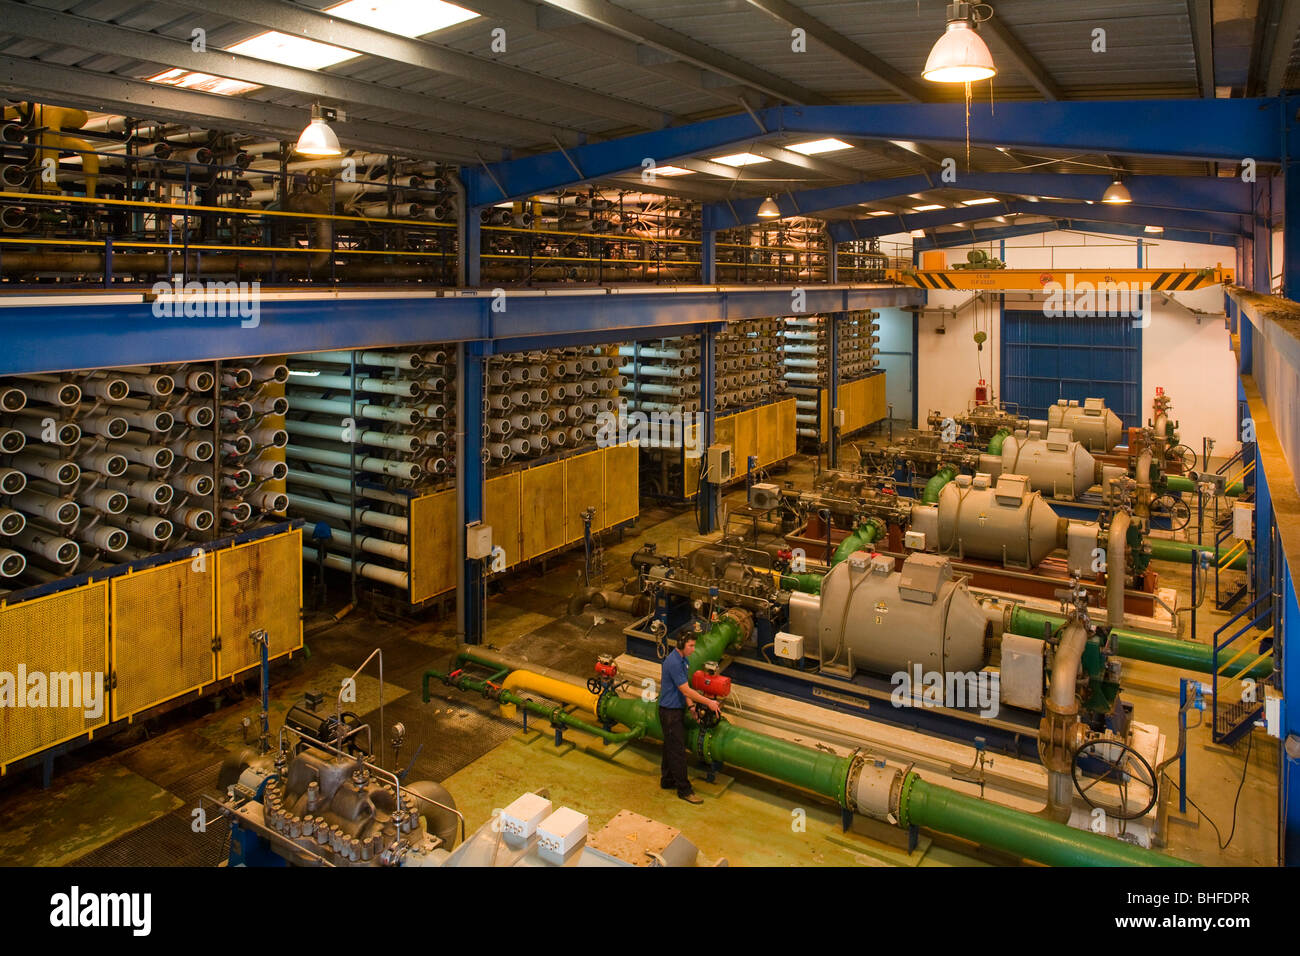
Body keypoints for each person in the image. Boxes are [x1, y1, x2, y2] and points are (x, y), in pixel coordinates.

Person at [659, 630, 721, 804]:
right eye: (691, 646)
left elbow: (684, 687)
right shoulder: (674, 663)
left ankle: (667, 779)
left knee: (669, 747)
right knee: (678, 751)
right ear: (681, 645)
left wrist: (692, 706)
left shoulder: (683, 660)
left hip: (675, 709)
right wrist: (709, 702)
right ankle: (685, 790)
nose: (693, 649)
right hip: (670, 712)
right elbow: (686, 690)